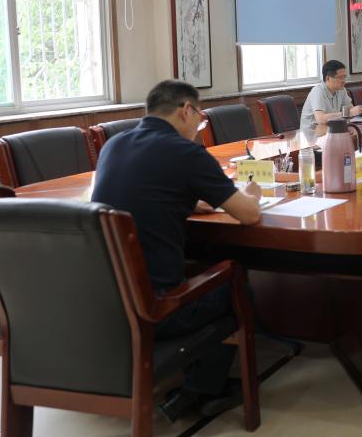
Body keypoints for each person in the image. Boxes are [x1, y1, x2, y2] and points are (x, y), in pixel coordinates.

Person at [92, 80, 262, 422]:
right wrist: (253, 194)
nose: (199, 126)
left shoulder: (114, 144)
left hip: (102, 303)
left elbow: (142, 193)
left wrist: (187, 200)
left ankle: (192, 379)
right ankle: (204, 388)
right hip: (155, 308)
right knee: (236, 283)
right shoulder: (186, 153)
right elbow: (248, 215)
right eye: (199, 117)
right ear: (186, 110)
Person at [300, 59, 362, 134]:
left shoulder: (341, 90)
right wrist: (348, 113)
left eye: (344, 77)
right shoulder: (318, 91)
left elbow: (351, 109)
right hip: (312, 135)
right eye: (340, 77)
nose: (344, 81)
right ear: (328, 78)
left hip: (331, 131)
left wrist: (361, 111)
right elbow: (321, 119)